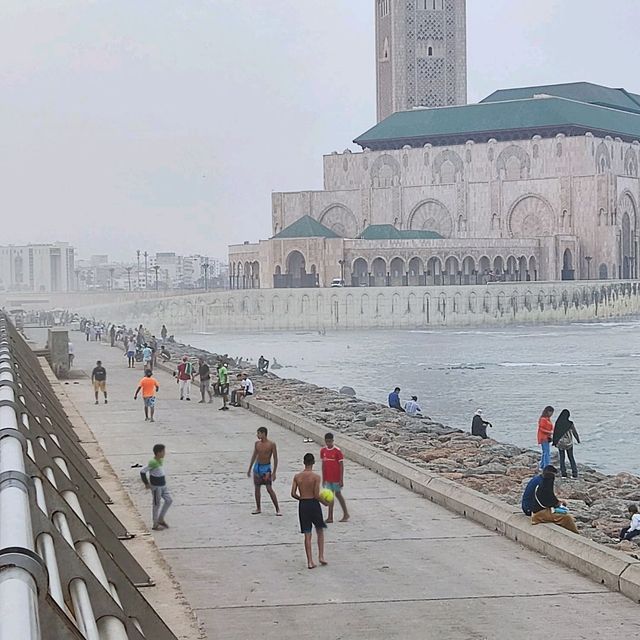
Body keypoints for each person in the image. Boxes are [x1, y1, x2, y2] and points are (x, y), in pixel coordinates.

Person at [291, 453, 328, 569]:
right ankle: (321, 556)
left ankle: (310, 561)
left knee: (307, 534)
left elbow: (293, 493)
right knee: (319, 530)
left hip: (303, 504)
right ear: (313, 463)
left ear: (304, 462)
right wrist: (325, 502)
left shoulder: (297, 477)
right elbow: (316, 495)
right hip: (313, 504)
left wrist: (301, 499)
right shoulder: (316, 477)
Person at [530, 466, 579, 534]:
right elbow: (548, 501)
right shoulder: (545, 486)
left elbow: (550, 498)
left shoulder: (542, 484)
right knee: (567, 517)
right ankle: (575, 533)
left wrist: (557, 502)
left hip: (539, 511)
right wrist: (558, 503)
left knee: (564, 514)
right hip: (539, 514)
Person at [246, 427, 281, 516]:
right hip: (257, 468)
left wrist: (274, 472)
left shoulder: (271, 444)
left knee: (269, 488)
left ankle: (277, 508)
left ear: (263, 433)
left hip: (266, 469)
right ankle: (258, 508)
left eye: (259, 433)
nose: (257, 435)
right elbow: (254, 456)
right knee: (257, 488)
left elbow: (275, 458)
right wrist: (250, 468)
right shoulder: (257, 444)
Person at [140, 443, 172, 531]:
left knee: (169, 500)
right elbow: (143, 471)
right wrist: (146, 483)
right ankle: (155, 524)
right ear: (158, 453)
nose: (164, 453)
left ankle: (160, 519)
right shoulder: (153, 462)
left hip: (163, 485)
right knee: (156, 504)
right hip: (156, 487)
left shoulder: (160, 460)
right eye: (163, 451)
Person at [320, 432, 349, 523]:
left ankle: (345, 513)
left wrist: (341, 479)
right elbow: (323, 465)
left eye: (330, 441)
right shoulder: (323, 451)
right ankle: (330, 516)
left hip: (336, 478)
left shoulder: (337, 451)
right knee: (330, 496)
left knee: (338, 494)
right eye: (327, 441)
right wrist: (324, 478)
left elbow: (341, 465)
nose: (328, 443)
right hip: (328, 478)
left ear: (332, 441)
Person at [552, 409, 580, 479]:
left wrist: (554, 442)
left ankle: (563, 474)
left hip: (560, 443)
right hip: (568, 443)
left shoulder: (558, 422)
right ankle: (574, 473)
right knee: (571, 457)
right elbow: (575, 433)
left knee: (562, 458)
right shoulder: (570, 424)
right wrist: (578, 440)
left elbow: (555, 433)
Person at [537, 405, 554, 470]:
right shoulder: (543, 419)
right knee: (546, 452)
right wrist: (549, 432)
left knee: (545, 452)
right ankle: (546, 466)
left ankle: (542, 465)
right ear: (548, 412)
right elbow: (541, 429)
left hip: (547, 437)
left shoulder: (547, 419)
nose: (551, 414)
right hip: (543, 437)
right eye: (551, 412)